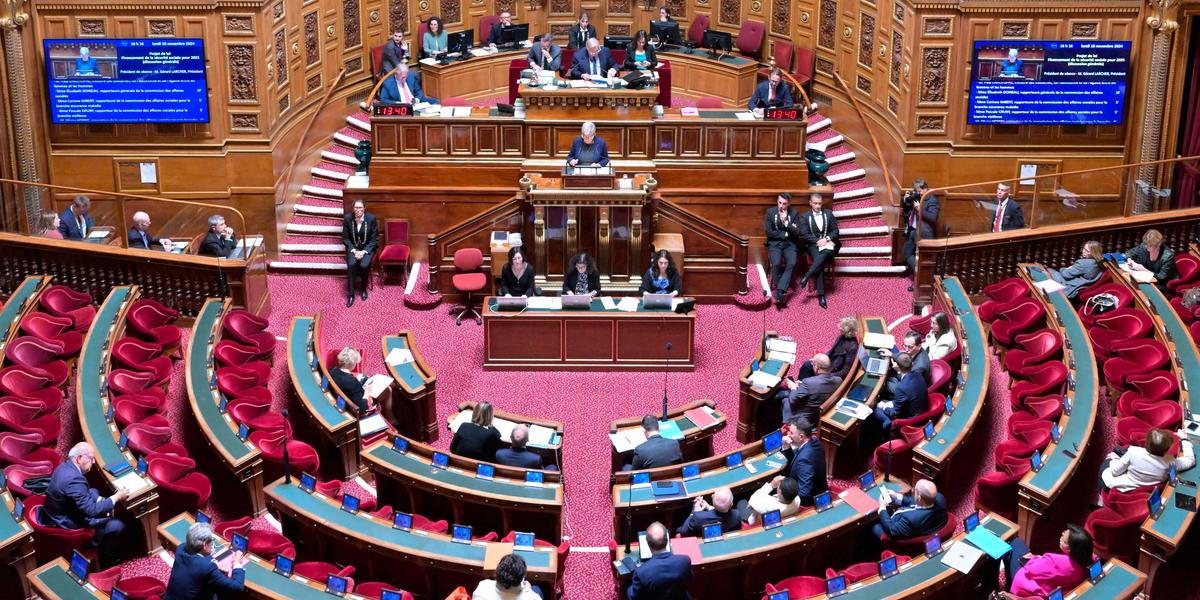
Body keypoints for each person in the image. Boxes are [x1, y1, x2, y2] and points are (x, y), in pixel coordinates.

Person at [44, 443, 131, 568]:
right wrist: (115, 498)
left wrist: (102, 500)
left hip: (61, 512)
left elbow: (85, 492)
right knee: (118, 525)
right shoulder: (74, 480)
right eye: (91, 458)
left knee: (94, 491)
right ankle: (106, 557)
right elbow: (90, 511)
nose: (94, 461)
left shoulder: (64, 467)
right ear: (79, 458)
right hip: (70, 525)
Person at [992, 526, 1093, 600]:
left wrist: (1036, 559)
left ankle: (1006, 586)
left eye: (1064, 540)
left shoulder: (1054, 561)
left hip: (1028, 589)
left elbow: (1030, 569)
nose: (1061, 536)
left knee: (1015, 543)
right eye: (1063, 533)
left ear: (1070, 549)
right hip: (1052, 588)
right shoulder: (1088, 560)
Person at [163, 521, 248, 600]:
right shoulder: (206, 567)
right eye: (211, 541)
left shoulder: (181, 549)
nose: (212, 544)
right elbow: (237, 587)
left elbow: (198, 565)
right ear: (204, 545)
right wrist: (237, 563)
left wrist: (213, 564)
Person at [1099, 428, 1195, 495]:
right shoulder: (1170, 462)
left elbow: (1115, 472)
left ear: (1146, 443)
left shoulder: (1134, 452)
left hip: (1128, 482)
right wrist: (1184, 439)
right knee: (1119, 451)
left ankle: (1101, 495)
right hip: (1144, 479)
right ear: (1166, 450)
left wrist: (1115, 459)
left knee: (1106, 462)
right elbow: (1190, 460)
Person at [328, 347, 397, 426]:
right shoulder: (351, 382)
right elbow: (362, 407)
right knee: (388, 390)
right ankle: (391, 418)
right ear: (352, 364)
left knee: (365, 379)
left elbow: (345, 380)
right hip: (356, 410)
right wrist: (366, 393)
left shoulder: (332, 371)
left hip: (342, 399)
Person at [628, 522, 692, 600]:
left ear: (648, 544)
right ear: (667, 540)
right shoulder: (685, 561)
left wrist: (628, 587)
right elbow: (689, 581)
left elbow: (634, 597)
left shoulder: (641, 572)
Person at [870, 479, 947, 541]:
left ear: (920, 498)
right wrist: (897, 497)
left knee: (873, 524)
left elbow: (891, 530)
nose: (913, 491)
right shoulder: (940, 498)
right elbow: (916, 502)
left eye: (914, 490)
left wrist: (882, 507)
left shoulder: (911, 519)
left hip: (897, 532)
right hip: (926, 526)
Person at [798, 193, 839, 309]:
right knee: (819, 262)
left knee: (821, 258)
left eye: (820, 203)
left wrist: (826, 239)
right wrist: (819, 241)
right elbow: (805, 235)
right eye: (815, 203)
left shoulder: (828, 214)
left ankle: (807, 276)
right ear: (810, 203)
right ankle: (821, 295)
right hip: (813, 245)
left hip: (828, 245)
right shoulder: (805, 217)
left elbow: (835, 231)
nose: (817, 206)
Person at [775, 353, 842, 422]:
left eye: (813, 364)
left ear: (816, 368)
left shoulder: (808, 382)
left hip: (803, 416)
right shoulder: (838, 380)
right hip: (819, 412)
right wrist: (802, 387)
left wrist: (793, 387)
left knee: (782, 397)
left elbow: (793, 400)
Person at [873, 353, 928, 435]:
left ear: (897, 366)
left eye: (895, 362)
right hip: (918, 409)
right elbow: (906, 360)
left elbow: (894, 414)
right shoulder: (918, 373)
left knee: (876, 408)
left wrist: (884, 407)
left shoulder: (901, 388)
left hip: (908, 419)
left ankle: (883, 434)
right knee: (885, 400)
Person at [764, 191, 801, 304]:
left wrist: (787, 223)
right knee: (775, 264)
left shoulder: (794, 214)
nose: (781, 206)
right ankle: (782, 290)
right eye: (780, 202)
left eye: (784, 203)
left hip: (789, 244)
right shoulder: (770, 212)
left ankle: (779, 291)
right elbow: (769, 232)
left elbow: (797, 232)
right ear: (777, 201)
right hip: (775, 244)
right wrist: (783, 234)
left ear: (788, 204)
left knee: (792, 263)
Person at [902, 179, 940, 286]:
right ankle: (919, 276)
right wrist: (906, 200)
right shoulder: (919, 196)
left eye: (918, 191)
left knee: (922, 259)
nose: (917, 193)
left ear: (924, 188)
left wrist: (920, 209)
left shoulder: (932, 199)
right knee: (906, 252)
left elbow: (933, 218)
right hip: (914, 232)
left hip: (925, 234)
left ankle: (921, 279)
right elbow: (907, 208)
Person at [781, 417, 828, 505]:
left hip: (808, 501)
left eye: (791, 432)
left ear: (801, 436)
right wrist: (786, 446)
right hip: (821, 489)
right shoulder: (816, 442)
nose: (788, 434)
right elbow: (797, 454)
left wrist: (782, 493)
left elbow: (804, 493)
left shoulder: (804, 460)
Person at [342, 200, 379, 306]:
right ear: (353, 208)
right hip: (353, 249)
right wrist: (353, 250)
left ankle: (363, 289)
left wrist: (364, 252)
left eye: (360, 207)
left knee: (364, 265)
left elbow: (374, 238)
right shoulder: (348, 219)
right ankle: (351, 295)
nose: (358, 210)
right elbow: (345, 238)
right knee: (352, 264)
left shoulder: (371, 218)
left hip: (367, 249)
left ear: (364, 208)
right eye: (356, 207)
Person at [472, 553, 544, 600]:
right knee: (536, 589)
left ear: (497, 572)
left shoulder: (482, 586)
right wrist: (528, 590)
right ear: (522, 579)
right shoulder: (531, 597)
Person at [676, 487, 740, 537]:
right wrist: (709, 507)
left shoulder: (698, 517)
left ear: (712, 497)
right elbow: (721, 514)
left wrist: (694, 512)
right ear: (731, 504)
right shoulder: (737, 515)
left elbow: (683, 532)